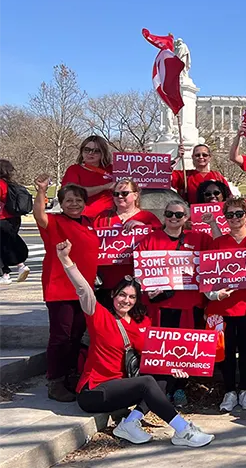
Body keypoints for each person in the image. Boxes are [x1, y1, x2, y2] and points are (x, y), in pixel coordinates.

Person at [56, 240, 214, 447]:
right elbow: (83, 289)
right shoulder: (99, 315)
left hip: (122, 387)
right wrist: (65, 259)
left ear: (137, 300)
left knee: (160, 377)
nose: (126, 300)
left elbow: (157, 357)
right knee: (147, 382)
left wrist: (176, 367)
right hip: (94, 391)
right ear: (113, 294)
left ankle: (130, 423)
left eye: (131, 297)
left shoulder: (143, 323)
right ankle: (183, 430)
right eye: (122, 294)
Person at [136, 199, 212, 407]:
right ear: (164, 216)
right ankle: (163, 389)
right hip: (162, 306)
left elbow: (218, 253)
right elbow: (141, 272)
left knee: (185, 349)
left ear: (186, 218)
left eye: (179, 215)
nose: (173, 218)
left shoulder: (199, 238)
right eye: (169, 214)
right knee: (163, 349)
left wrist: (213, 223)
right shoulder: (151, 240)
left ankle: (179, 388)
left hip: (190, 304)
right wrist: (148, 289)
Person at [33, 174, 99, 402]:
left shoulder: (89, 223)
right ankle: (56, 381)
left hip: (83, 289)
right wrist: (42, 191)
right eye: (69, 200)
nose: (74, 204)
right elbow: (39, 215)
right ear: (61, 202)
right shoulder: (55, 222)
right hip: (60, 287)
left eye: (78, 199)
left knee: (76, 334)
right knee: (61, 336)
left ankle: (72, 375)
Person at [205, 198, 246, 413]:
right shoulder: (218, 242)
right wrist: (214, 295)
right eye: (229, 215)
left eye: (238, 213)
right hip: (223, 307)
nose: (234, 218)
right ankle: (229, 391)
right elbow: (208, 274)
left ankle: (245, 389)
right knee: (227, 351)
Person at [93, 179, 162, 307]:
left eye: (124, 193)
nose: (119, 196)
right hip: (107, 282)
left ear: (135, 195)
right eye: (115, 194)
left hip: (136, 281)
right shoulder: (102, 217)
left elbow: (161, 242)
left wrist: (144, 228)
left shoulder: (148, 217)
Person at [62, 135, 115, 218]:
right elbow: (73, 194)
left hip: (109, 218)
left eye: (96, 151)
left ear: (103, 153)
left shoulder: (113, 169)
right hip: (83, 217)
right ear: (81, 151)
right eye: (87, 150)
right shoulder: (74, 170)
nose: (90, 153)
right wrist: (104, 187)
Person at [0, 159, 29, 284]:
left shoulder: (1, 184)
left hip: (2, 218)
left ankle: (11, 271)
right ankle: (9, 272)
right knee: (5, 245)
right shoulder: (13, 184)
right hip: (14, 218)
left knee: (4, 245)